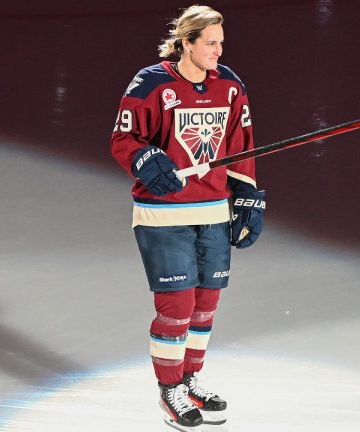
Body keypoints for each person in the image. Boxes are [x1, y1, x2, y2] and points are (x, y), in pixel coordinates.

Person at [110, 4, 266, 430]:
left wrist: (247, 193)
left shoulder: (230, 86)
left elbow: (241, 144)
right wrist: (144, 158)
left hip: (213, 211)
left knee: (205, 305)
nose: (218, 51)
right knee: (176, 306)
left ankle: (190, 379)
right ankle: (169, 391)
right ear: (186, 42)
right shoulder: (152, 83)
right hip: (163, 215)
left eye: (221, 43)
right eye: (210, 43)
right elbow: (124, 137)